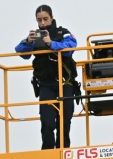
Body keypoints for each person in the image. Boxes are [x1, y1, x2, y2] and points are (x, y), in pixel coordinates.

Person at [15, 4, 78, 150]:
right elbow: (21, 52)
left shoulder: (63, 33)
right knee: (47, 120)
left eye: (45, 19)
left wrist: (51, 43)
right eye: (39, 20)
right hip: (46, 84)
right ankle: (48, 151)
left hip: (65, 83)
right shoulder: (35, 38)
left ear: (51, 18)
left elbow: (71, 47)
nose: (43, 23)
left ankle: (63, 149)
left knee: (65, 120)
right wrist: (28, 42)